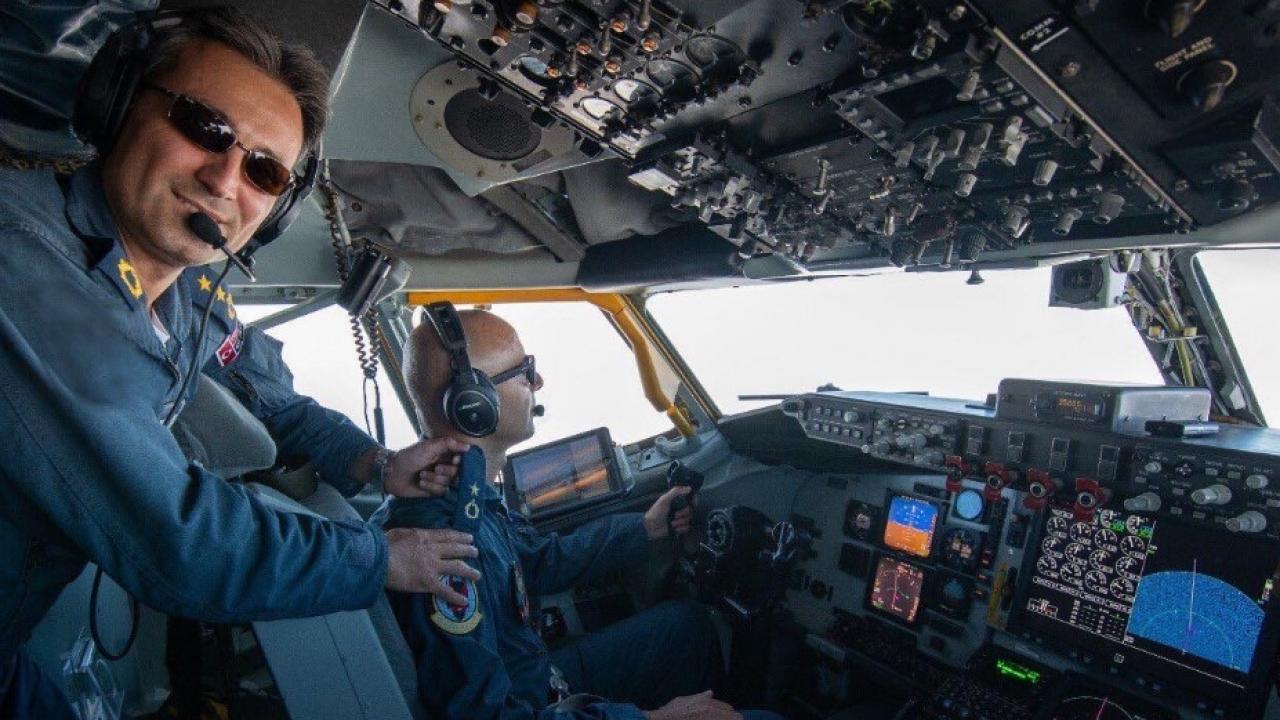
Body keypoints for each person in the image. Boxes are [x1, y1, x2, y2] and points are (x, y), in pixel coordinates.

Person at [0, 8, 479, 717]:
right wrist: (379, 559)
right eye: (205, 128)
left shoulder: (193, 299)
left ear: (276, 211)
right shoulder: (23, 259)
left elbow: (271, 400)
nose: (226, 180)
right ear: (121, 105)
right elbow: (180, 544)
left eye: (263, 169)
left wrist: (377, 466)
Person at [382, 305, 786, 720]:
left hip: (541, 681)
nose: (537, 381)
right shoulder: (440, 541)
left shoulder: (466, 494)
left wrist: (643, 529)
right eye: (524, 370)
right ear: (475, 404)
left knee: (687, 625)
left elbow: (535, 563)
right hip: (533, 704)